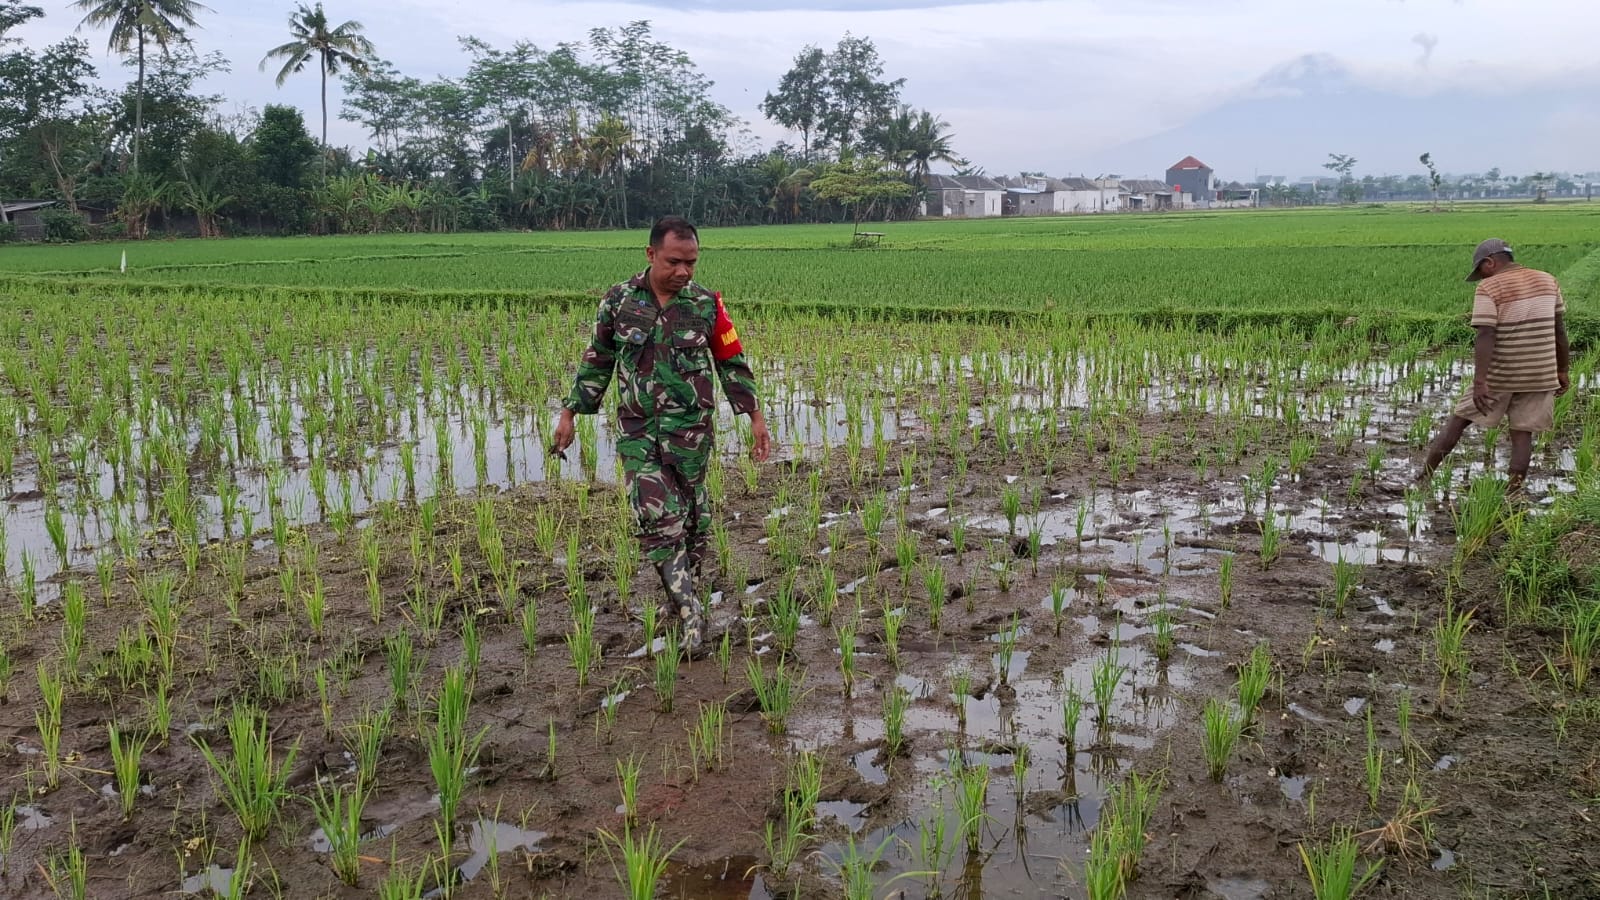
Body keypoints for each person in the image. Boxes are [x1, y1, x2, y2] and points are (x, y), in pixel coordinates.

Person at [552, 216, 771, 650]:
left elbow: (731, 362)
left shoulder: (707, 305)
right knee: (656, 518)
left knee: (692, 524)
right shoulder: (618, 302)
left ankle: (681, 600)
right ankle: (692, 616)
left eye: (691, 262)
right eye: (674, 262)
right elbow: (597, 360)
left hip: (691, 432)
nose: (684, 271)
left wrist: (754, 415)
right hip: (639, 431)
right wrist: (570, 413)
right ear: (651, 254)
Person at [1419, 238, 1570, 493]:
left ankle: (1424, 477)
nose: (1480, 278)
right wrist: (1562, 369)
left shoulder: (1490, 287)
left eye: (1480, 271)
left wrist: (1480, 382)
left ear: (1490, 262)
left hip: (1502, 371)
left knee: (1459, 420)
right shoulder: (1548, 279)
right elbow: (1559, 331)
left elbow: (1486, 334)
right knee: (1522, 434)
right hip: (1541, 372)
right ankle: (1513, 493)